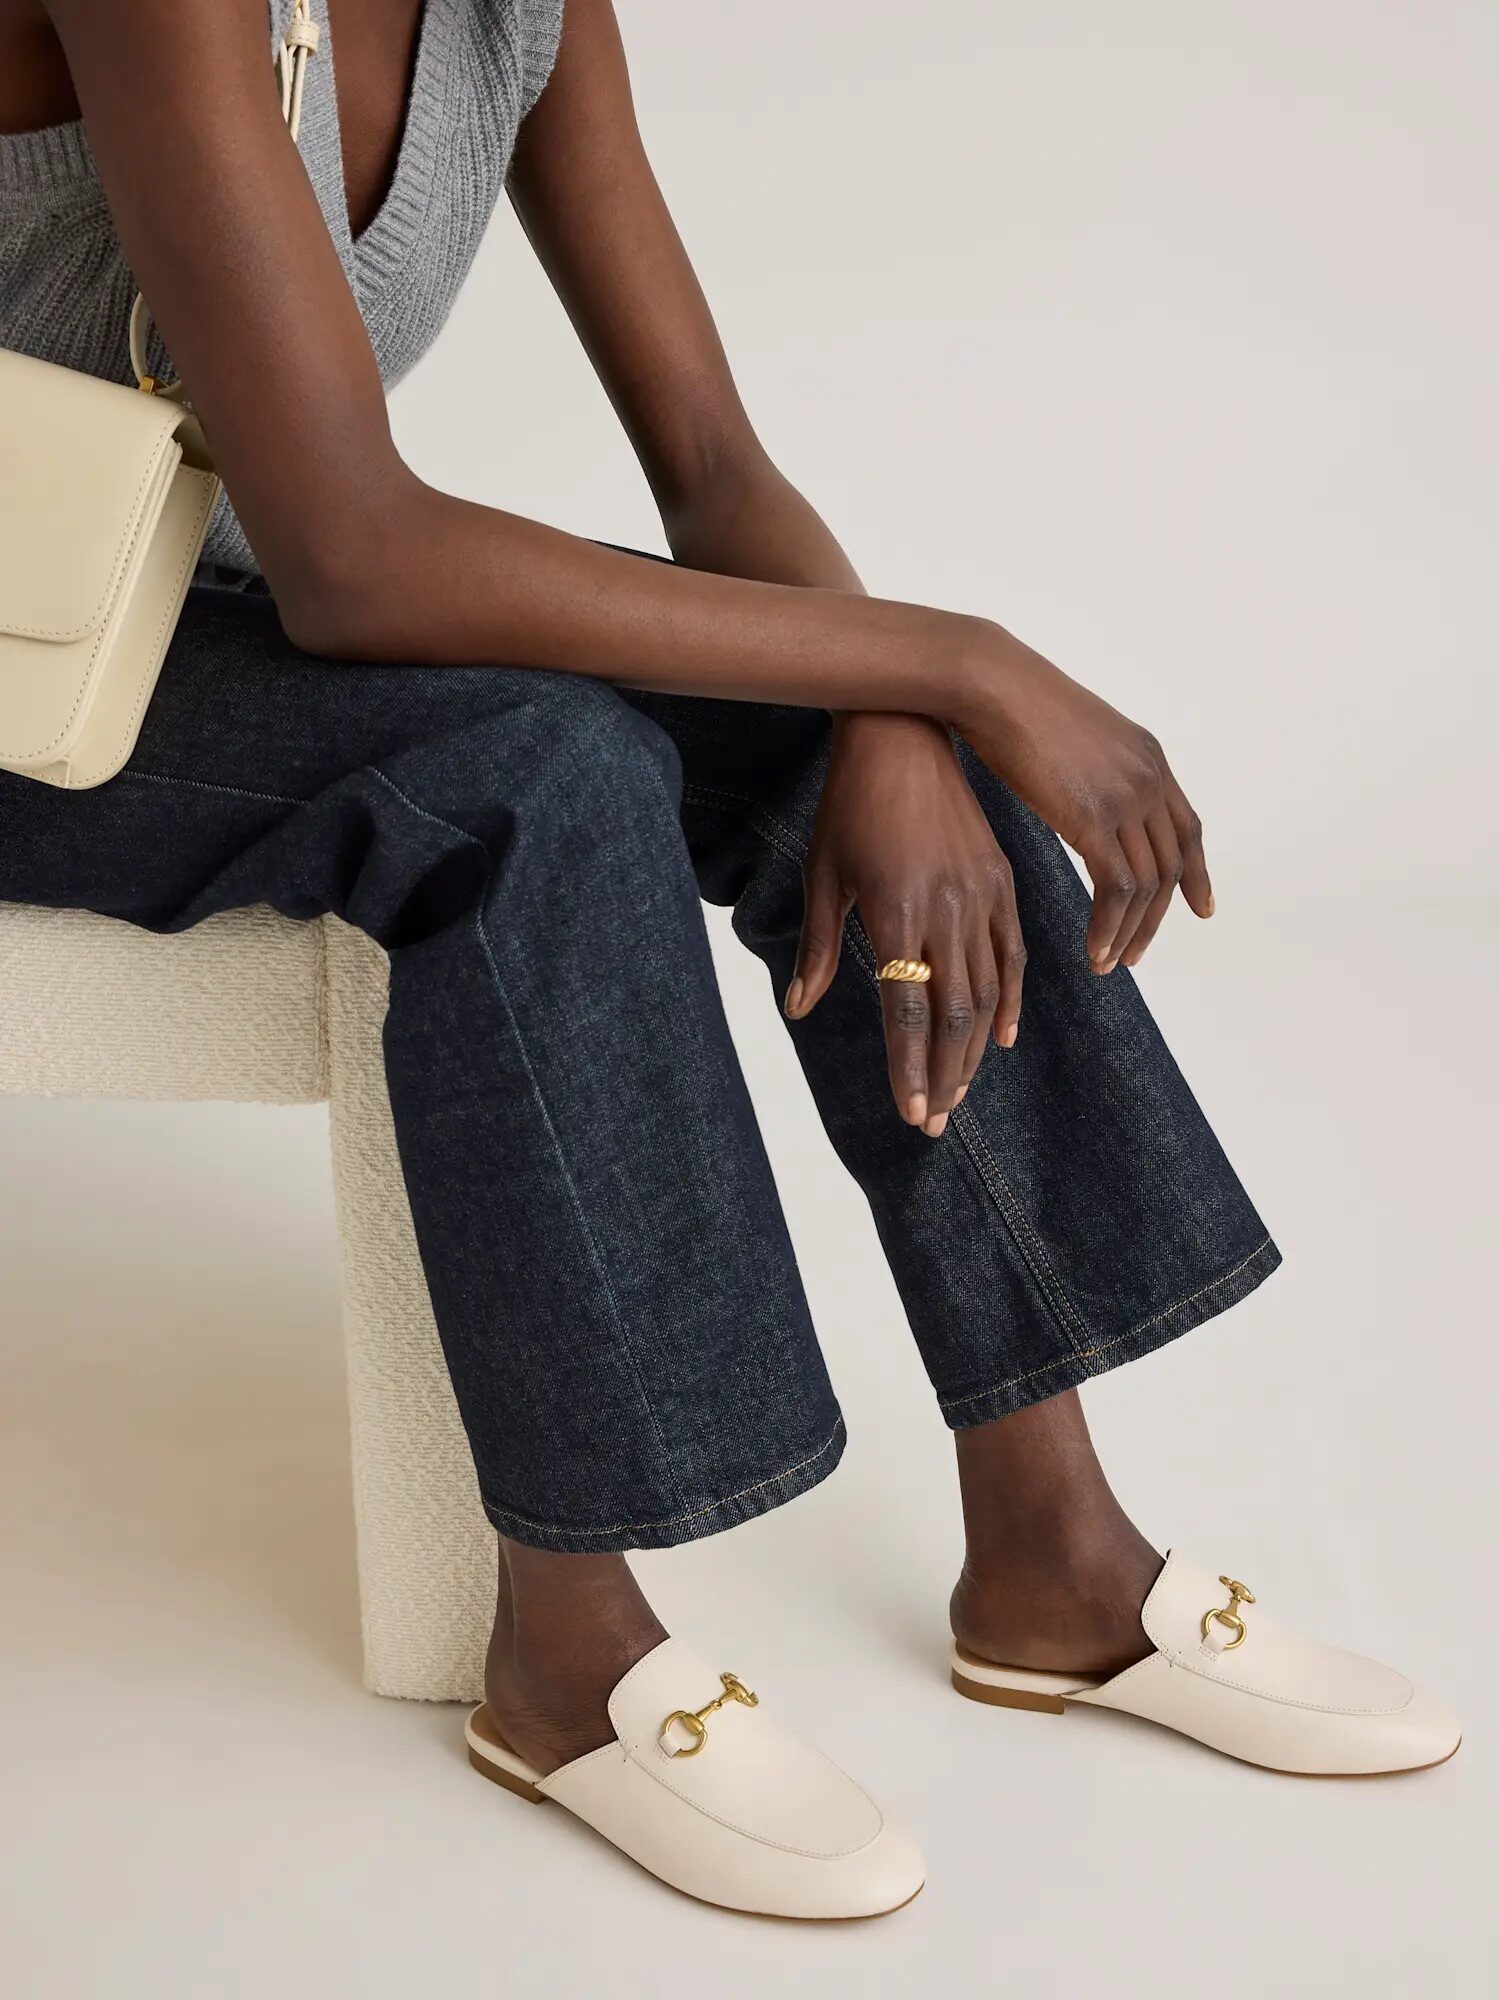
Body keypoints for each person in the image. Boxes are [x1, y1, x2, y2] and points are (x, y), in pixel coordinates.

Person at [0, 0, 1459, 1922]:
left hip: (209, 624)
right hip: (29, 671)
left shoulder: (521, 20)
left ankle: (1058, 1562)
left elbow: (708, 459)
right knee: (544, 777)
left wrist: (903, 731)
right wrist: (962, 656)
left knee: (855, 749)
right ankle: (571, 1645)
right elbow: (353, 547)